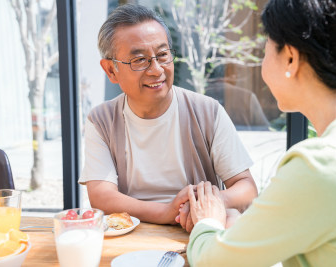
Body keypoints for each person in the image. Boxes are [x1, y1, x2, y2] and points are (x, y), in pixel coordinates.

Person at [186, 0, 336, 266]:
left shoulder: (325, 163)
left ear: (290, 58)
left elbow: (212, 262)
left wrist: (207, 219)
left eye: (266, 49)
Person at [78, 3, 258, 228]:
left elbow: (247, 188)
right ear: (111, 70)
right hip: (131, 236)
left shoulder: (207, 111)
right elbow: (102, 197)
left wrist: (205, 205)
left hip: (197, 231)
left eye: (163, 54)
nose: (156, 69)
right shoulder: (102, 120)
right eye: (139, 60)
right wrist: (166, 212)